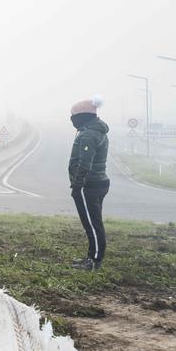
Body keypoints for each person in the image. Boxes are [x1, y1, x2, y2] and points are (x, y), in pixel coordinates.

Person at [68, 97, 110, 270]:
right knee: (94, 223)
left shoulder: (88, 135)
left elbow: (85, 164)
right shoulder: (96, 131)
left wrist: (77, 186)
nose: (72, 121)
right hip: (98, 182)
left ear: (82, 117)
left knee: (92, 224)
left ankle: (94, 261)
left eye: (73, 117)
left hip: (89, 185)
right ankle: (91, 257)